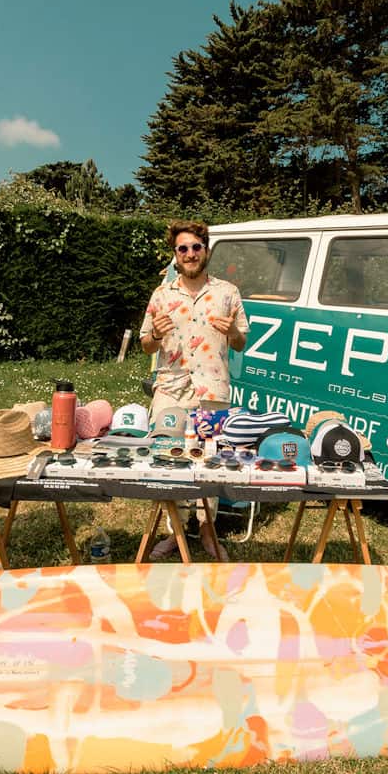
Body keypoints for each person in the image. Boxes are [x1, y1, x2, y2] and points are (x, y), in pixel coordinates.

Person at [140, 219, 248, 561]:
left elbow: (241, 343)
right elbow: (145, 344)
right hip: (170, 389)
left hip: (212, 389)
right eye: (183, 248)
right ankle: (175, 530)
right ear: (175, 254)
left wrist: (232, 332)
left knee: (210, 460)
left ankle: (206, 529)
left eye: (196, 247)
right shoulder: (161, 295)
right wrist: (155, 335)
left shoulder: (228, 292)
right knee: (168, 458)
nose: (190, 254)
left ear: (206, 251)